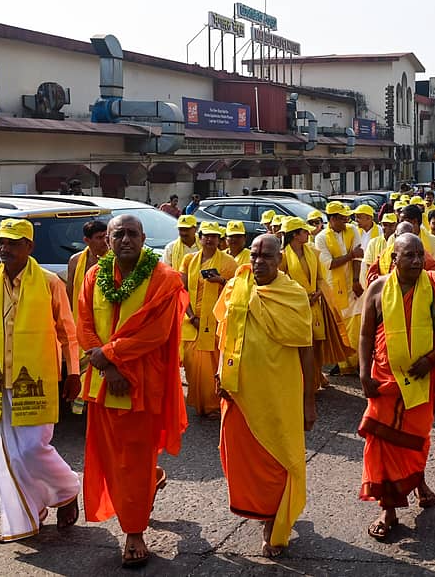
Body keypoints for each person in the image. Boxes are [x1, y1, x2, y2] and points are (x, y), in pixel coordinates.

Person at [78, 214, 188, 567]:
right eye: (118, 234)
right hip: (104, 383)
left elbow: (155, 333)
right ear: (106, 241)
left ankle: (135, 532)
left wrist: (109, 354)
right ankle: (147, 484)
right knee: (112, 460)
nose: (125, 239)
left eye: (132, 234)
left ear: (143, 238)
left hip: (142, 385)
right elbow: (84, 325)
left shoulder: (163, 279)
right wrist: (108, 367)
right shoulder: (94, 276)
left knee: (134, 459)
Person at [0, 218, 81, 543]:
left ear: (29, 246)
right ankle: (25, 518)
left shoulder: (49, 282)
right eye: (1, 242)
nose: (4, 248)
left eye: (13, 243)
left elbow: (67, 330)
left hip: (37, 380)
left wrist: (73, 371)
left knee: (30, 449)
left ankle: (68, 488)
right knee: (7, 453)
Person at [214, 234, 317, 557]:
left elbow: (305, 349)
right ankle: (260, 511)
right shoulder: (237, 285)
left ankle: (273, 519)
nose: (258, 262)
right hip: (240, 389)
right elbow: (225, 331)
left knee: (278, 458)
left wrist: (308, 400)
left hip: (278, 391)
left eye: (266, 256)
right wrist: (221, 371)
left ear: (280, 260)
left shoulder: (294, 295)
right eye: (255, 255)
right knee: (243, 457)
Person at [357, 234, 435, 541]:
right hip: (384, 380)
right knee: (381, 443)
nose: (417, 261)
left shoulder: (434, 286)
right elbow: (365, 335)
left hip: (419, 378)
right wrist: (363, 373)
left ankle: (418, 482)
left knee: (416, 438)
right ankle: (388, 508)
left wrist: (431, 358)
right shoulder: (377, 288)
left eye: (420, 255)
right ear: (394, 260)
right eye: (409, 256)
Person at [280, 217, 354, 390]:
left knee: (316, 343)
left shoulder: (312, 252)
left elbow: (320, 277)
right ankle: (306, 382)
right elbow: (282, 282)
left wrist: (319, 292)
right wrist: (303, 296)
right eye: (304, 231)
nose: (308, 233)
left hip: (314, 304)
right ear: (295, 235)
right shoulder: (283, 257)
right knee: (302, 344)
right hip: (295, 307)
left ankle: (315, 377)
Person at [180, 222, 238, 417]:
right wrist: (191, 316)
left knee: (212, 366)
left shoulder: (229, 262)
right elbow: (182, 290)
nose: (209, 239)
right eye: (206, 235)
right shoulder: (189, 260)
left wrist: (221, 281)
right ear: (200, 236)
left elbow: (238, 290)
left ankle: (213, 405)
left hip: (216, 322)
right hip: (192, 321)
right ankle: (198, 402)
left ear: (219, 239)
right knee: (191, 363)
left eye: (214, 236)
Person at [315, 202, 364, 374]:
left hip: (353, 284)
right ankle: (343, 363)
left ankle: (357, 362)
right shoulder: (321, 238)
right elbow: (329, 264)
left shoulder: (352, 230)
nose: (347, 221)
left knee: (356, 323)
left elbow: (359, 258)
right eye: (343, 219)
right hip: (333, 288)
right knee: (340, 327)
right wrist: (350, 255)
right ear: (333, 219)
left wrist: (356, 280)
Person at [67, 220, 109, 323]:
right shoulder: (75, 260)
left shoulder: (115, 259)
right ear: (86, 240)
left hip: (105, 318)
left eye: (106, 237)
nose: (104, 241)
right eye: (99, 238)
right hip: (80, 318)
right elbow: (69, 292)